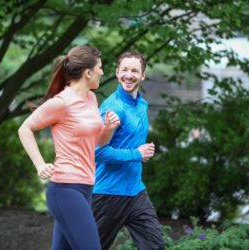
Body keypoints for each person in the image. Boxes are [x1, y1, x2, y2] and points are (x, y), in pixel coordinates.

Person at [18, 45, 120, 250]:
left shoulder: (91, 98)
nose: (102, 71)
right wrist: (39, 165)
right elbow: (25, 128)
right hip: (65, 189)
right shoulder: (62, 102)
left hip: (85, 187)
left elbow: (97, 142)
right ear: (88, 72)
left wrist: (108, 129)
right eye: (100, 67)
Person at [92, 51, 165, 250]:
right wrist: (136, 154)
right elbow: (97, 152)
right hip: (108, 193)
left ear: (143, 75)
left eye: (134, 71)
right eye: (124, 70)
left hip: (136, 192)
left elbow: (131, 144)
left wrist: (142, 153)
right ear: (117, 73)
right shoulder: (112, 108)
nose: (128, 75)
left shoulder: (141, 105)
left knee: (155, 246)